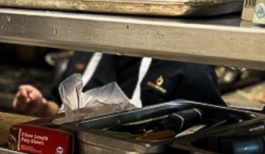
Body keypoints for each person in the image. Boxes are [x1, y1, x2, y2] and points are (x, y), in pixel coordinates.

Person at [14, 51, 225, 117]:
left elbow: (210, 133)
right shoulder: (92, 49)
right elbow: (60, 110)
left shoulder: (188, 64)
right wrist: (41, 106)